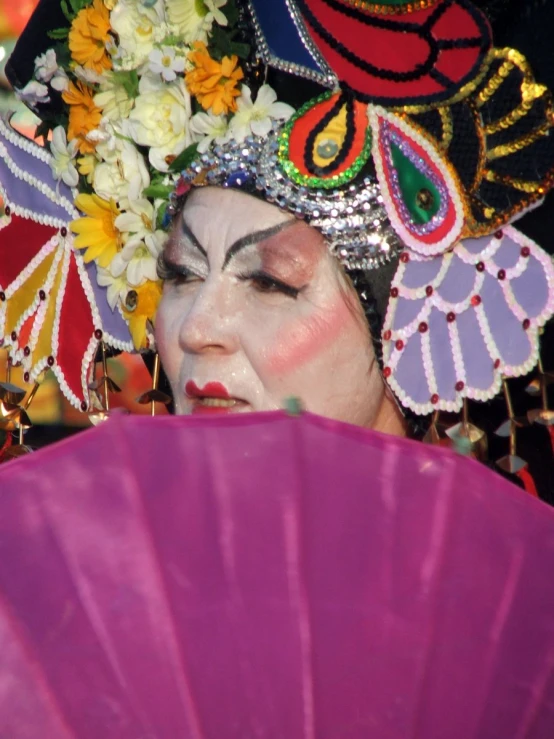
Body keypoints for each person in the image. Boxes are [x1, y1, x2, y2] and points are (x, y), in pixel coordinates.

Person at [0, 0, 553, 496]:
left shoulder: (508, 593)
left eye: (269, 282)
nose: (196, 329)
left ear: (406, 320)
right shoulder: (118, 583)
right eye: (181, 275)